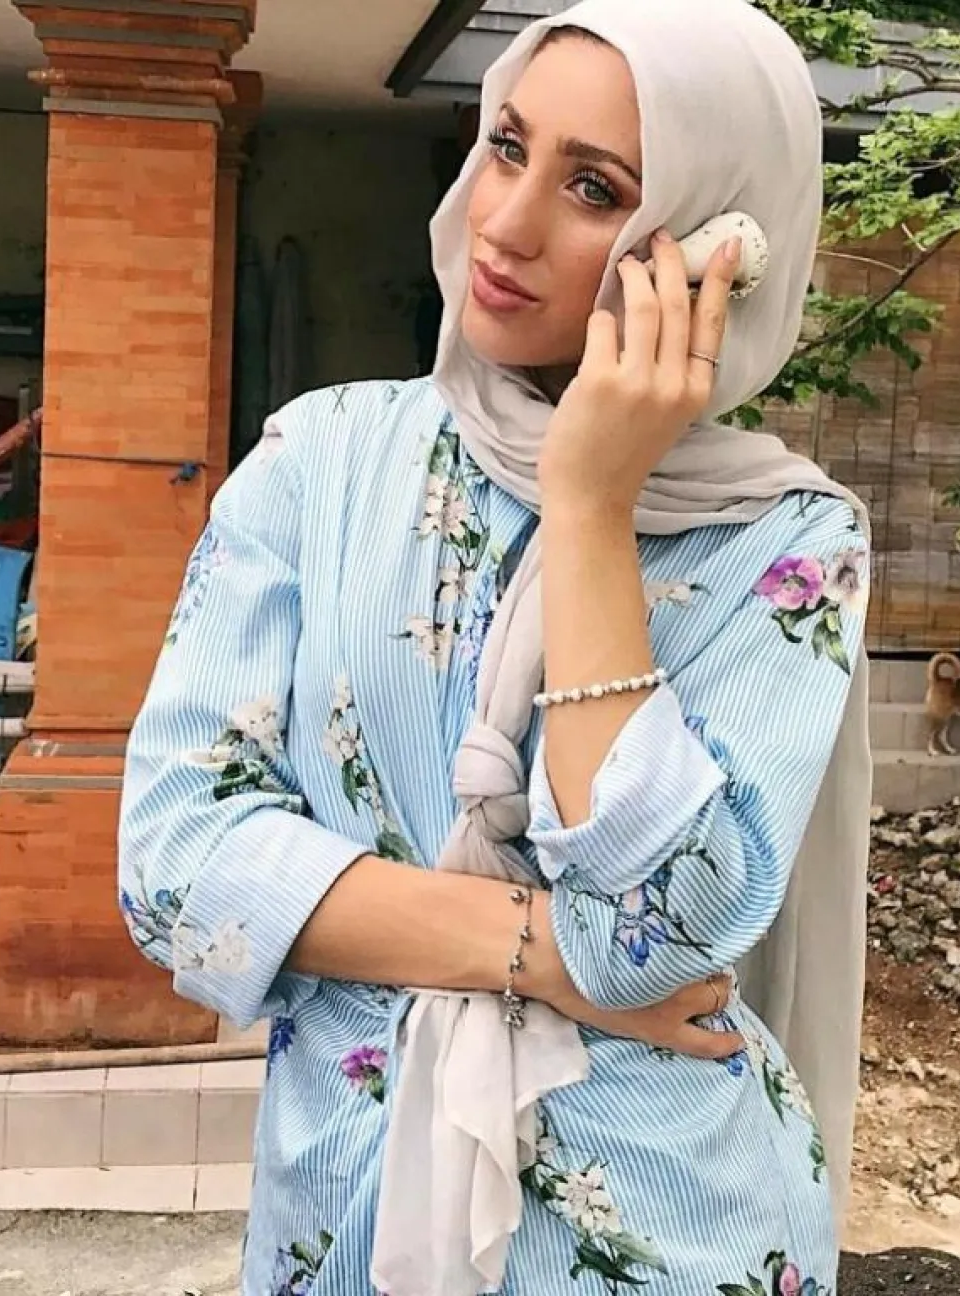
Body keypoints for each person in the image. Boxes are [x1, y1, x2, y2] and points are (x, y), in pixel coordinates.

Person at [118, 2, 873, 1293]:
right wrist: (541, 952)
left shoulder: (787, 539)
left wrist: (590, 507)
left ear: (715, 255)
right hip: (343, 1213)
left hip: (669, 1225)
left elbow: (659, 937)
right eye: (508, 147)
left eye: (595, 189)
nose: (506, 220)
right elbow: (173, 867)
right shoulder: (321, 462)